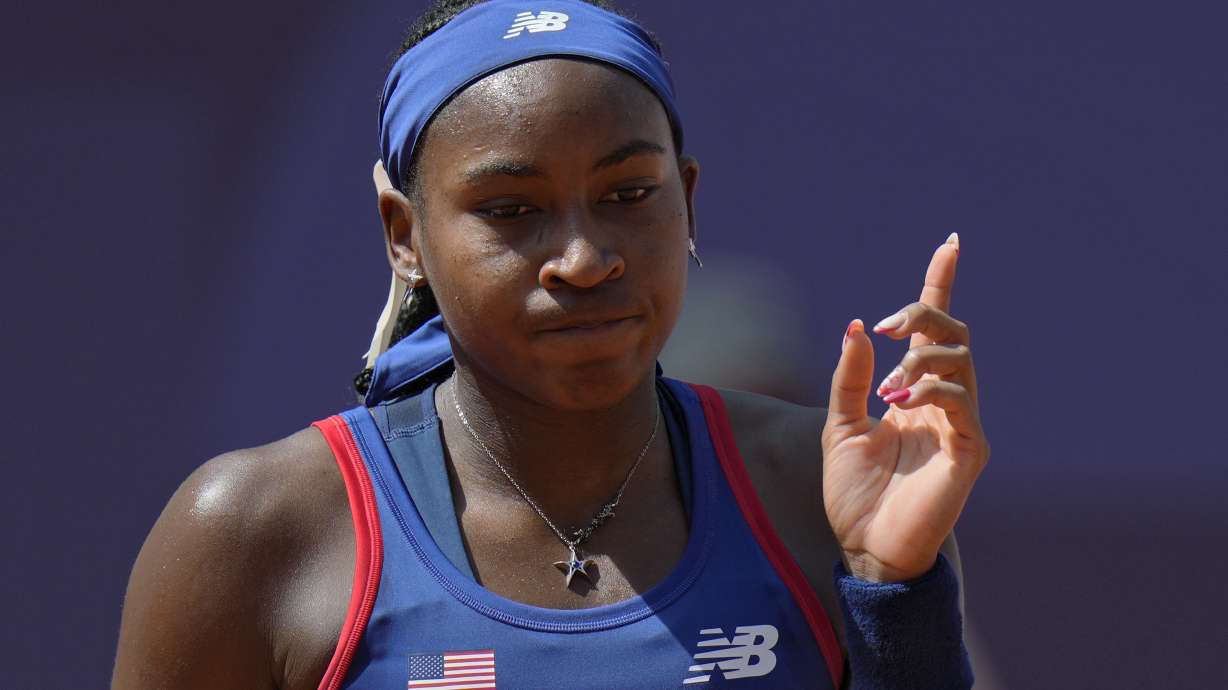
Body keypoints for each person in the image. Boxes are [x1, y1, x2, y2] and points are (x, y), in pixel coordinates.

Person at [111, 1, 990, 688]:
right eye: (511, 209)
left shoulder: (819, 490)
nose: (584, 258)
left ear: (687, 200)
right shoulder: (255, 533)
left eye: (628, 194)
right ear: (404, 236)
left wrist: (895, 592)